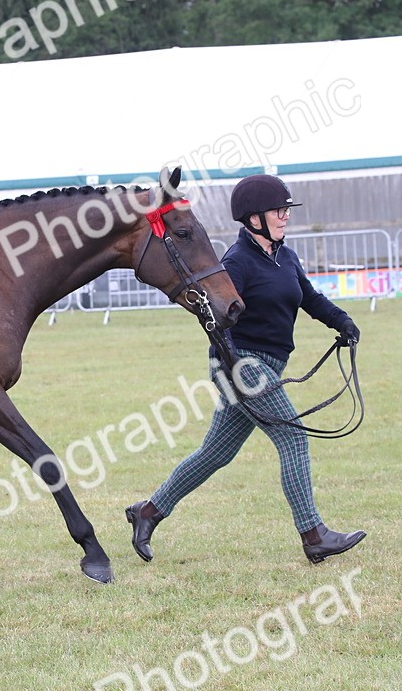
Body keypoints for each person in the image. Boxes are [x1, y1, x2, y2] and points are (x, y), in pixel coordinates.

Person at [125, 174, 366, 565]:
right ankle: (313, 535)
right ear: (253, 218)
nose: (285, 216)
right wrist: (233, 363)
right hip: (240, 364)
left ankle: (147, 512)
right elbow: (214, 317)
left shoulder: (285, 256)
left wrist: (342, 321)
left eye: (286, 209)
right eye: (278, 210)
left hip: (268, 364)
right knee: (293, 439)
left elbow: (309, 298)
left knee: (214, 454)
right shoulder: (236, 263)